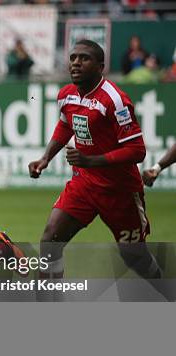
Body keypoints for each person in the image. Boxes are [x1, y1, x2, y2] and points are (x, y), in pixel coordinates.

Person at [28, 39, 163, 283]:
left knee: (134, 257)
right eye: (73, 58)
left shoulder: (115, 100)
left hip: (119, 191)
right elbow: (65, 124)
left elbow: (137, 151)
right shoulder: (66, 95)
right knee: (50, 240)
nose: (76, 63)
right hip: (84, 185)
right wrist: (45, 158)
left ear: (101, 66)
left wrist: (92, 160)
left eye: (84, 58)